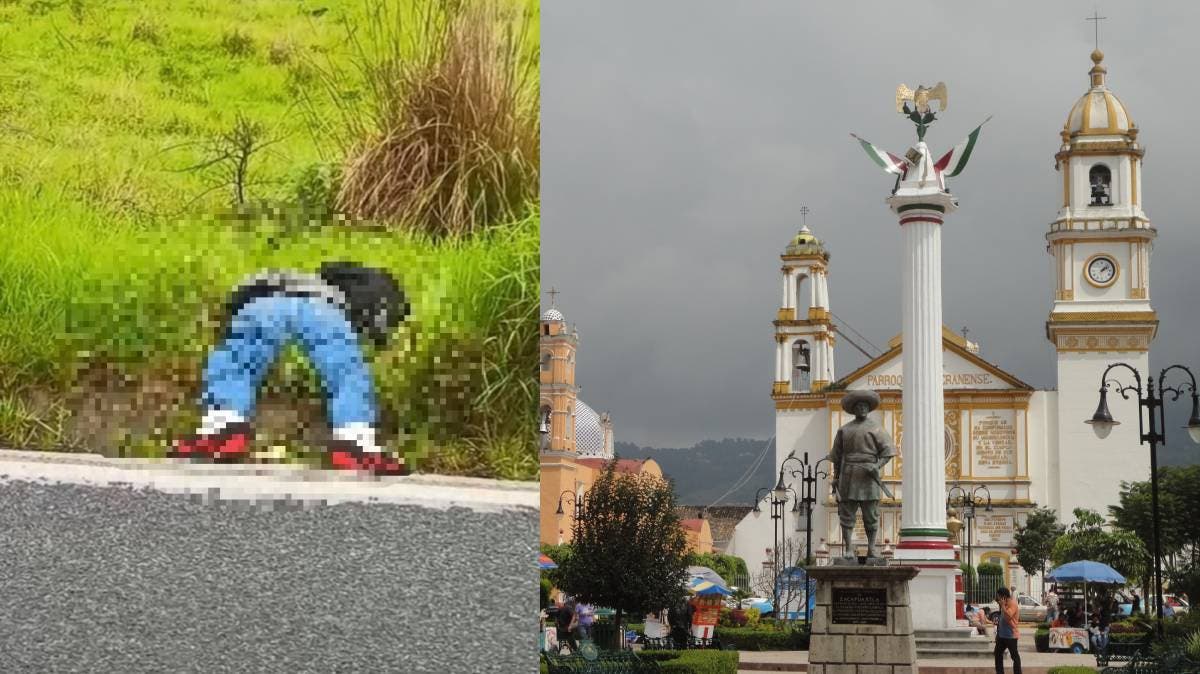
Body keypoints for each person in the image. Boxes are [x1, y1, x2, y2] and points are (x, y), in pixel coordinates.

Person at [171, 262, 409, 475]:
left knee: (236, 364)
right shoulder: (336, 295)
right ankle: (356, 442)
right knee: (346, 373)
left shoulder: (276, 278)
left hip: (262, 305)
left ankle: (221, 427)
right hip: (322, 311)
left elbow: (232, 308)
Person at [993, 587, 1022, 674]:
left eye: (999, 596)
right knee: (997, 654)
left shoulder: (1013, 603)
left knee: (1014, 656)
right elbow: (1001, 619)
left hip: (1011, 635)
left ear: (1004, 596)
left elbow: (1009, 616)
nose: (998, 598)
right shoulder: (1003, 604)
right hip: (1002, 635)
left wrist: (1002, 606)